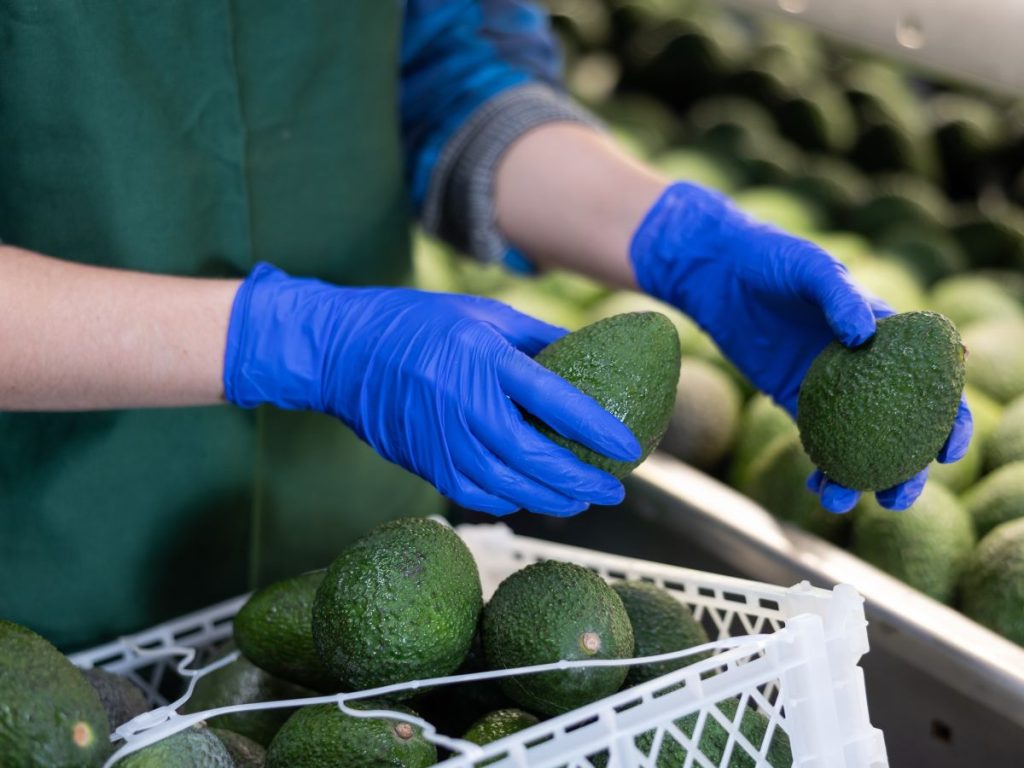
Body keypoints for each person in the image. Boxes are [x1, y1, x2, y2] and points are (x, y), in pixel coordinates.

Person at [0, 1, 971, 651]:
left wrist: (680, 243)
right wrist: (297, 341)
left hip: (363, 540)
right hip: (46, 558)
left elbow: (448, 75)